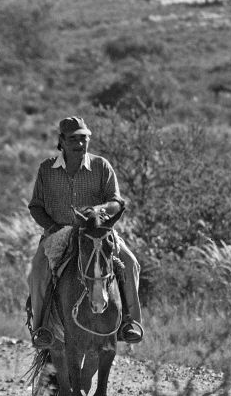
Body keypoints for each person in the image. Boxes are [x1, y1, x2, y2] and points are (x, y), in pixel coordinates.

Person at [27, 116, 144, 347]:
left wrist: (100, 210)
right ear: (61, 140)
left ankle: (130, 322)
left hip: (97, 232)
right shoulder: (47, 169)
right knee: (39, 270)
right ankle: (42, 330)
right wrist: (52, 228)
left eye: (84, 138)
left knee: (130, 263)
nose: (79, 144)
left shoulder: (101, 166)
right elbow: (36, 207)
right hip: (58, 233)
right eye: (73, 139)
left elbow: (117, 202)